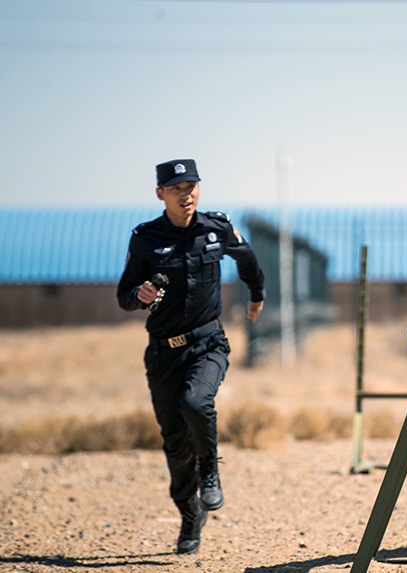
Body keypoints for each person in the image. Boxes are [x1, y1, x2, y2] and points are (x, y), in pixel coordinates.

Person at [117, 159, 265, 554]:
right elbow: (124, 296)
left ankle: (211, 472)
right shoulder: (145, 238)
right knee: (174, 441)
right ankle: (189, 513)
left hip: (208, 343)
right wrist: (139, 296)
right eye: (177, 189)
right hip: (164, 354)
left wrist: (256, 295)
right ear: (160, 194)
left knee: (196, 403)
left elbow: (248, 259)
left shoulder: (216, 228)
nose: (187, 194)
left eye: (192, 186)